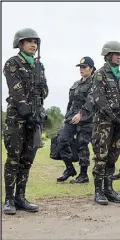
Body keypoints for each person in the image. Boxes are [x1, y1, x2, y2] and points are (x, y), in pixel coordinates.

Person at [3, 28, 49, 215]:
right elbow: (16, 91)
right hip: (17, 119)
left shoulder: (39, 66)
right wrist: (27, 112)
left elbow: (45, 90)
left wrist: (41, 89)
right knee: (13, 159)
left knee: (27, 160)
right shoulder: (12, 63)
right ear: (20, 44)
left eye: (35, 42)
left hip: (34, 118)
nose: (33, 45)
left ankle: (21, 198)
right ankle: (9, 200)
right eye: (29, 41)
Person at [91, 41, 120, 205]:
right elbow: (99, 99)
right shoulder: (100, 74)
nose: (119, 57)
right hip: (104, 123)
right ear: (108, 55)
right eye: (117, 54)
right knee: (101, 157)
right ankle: (98, 191)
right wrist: (113, 117)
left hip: (119, 122)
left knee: (113, 156)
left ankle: (109, 188)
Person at [56, 56, 95, 183]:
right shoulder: (76, 84)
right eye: (80, 67)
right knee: (61, 139)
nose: (81, 69)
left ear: (91, 69)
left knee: (81, 144)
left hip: (86, 119)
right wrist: (66, 117)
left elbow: (91, 102)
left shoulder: (94, 84)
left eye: (84, 67)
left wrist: (81, 114)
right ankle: (69, 168)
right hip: (71, 118)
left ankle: (83, 175)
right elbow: (70, 102)